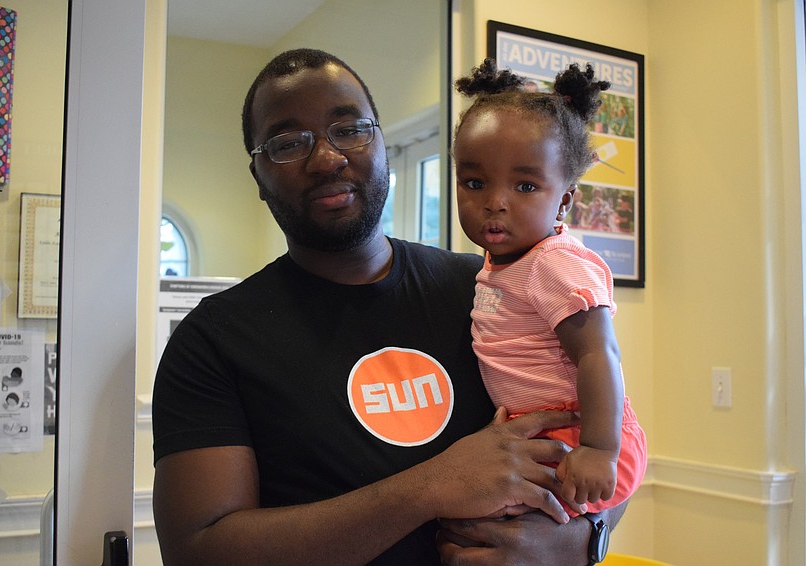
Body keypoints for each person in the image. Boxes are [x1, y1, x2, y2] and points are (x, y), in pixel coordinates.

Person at [152, 48, 626, 565]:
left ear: (381, 142)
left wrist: (580, 541)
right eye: (289, 143)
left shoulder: (490, 292)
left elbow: (610, 446)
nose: (328, 158)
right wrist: (430, 486)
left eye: (350, 129)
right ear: (259, 177)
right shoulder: (212, 340)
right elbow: (198, 551)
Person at [452, 58, 647, 517]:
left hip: (577, 434)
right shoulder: (500, 264)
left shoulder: (554, 264)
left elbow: (599, 354)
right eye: (475, 182)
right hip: (534, 431)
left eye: (524, 185)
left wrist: (599, 449)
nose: (495, 202)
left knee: (495, 530)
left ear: (563, 200)